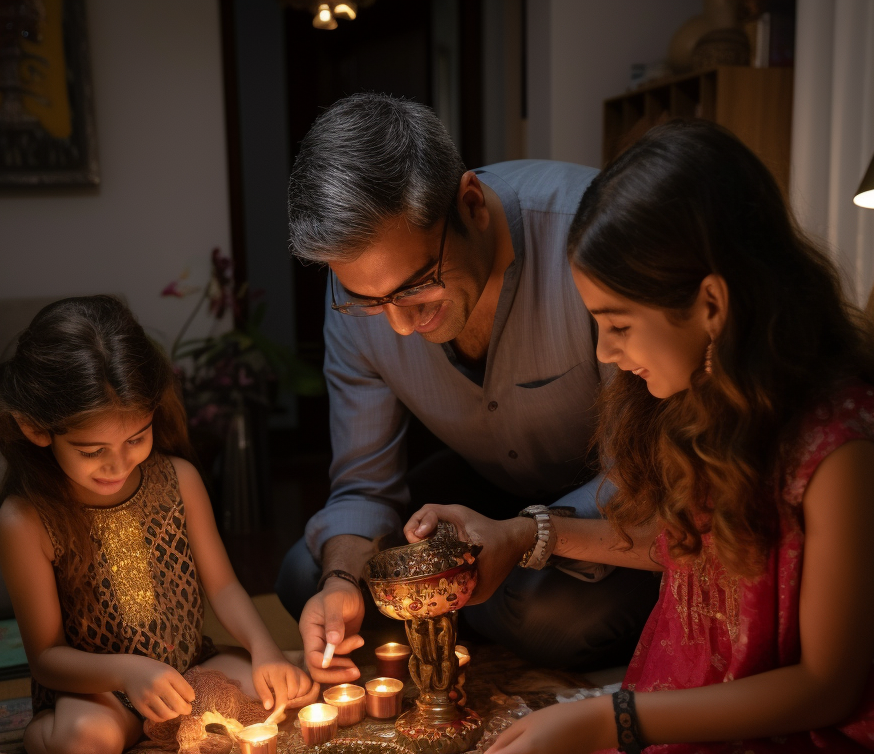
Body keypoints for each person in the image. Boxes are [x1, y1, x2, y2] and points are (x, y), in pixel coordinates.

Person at [405, 121, 874, 754]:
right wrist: (520, 533)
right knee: (594, 752)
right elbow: (674, 541)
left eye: (617, 325)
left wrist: (613, 716)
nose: (605, 354)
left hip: (832, 728)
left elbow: (828, 686)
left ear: (710, 304)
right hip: (720, 694)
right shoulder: (699, 394)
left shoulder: (842, 444)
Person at [279, 93, 660, 685]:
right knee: (306, 577)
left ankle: (459, 609)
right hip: (482, 492)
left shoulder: (592, 239)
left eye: (418, 288)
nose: (401, 325)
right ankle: (459, 605)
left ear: (472, 205)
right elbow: (363, 486)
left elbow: (643, 483)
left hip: (611, 512)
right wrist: (341, 584)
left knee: (548, 614)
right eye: (371, 303)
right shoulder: (359, 297)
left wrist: (525, 538)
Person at [0, 296, 312, 754]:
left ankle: (181, 713)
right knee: (86, 747)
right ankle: (56, 731)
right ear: (37, 429)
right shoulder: (26, 519)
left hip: (189, 670)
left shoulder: (178, 480)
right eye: (92, 450)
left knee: (289, 693)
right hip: (99, 691)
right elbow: (47, 659)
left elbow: (223, 588)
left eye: (135, 439)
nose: (118, 465)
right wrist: (127, 673)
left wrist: (265, 649)